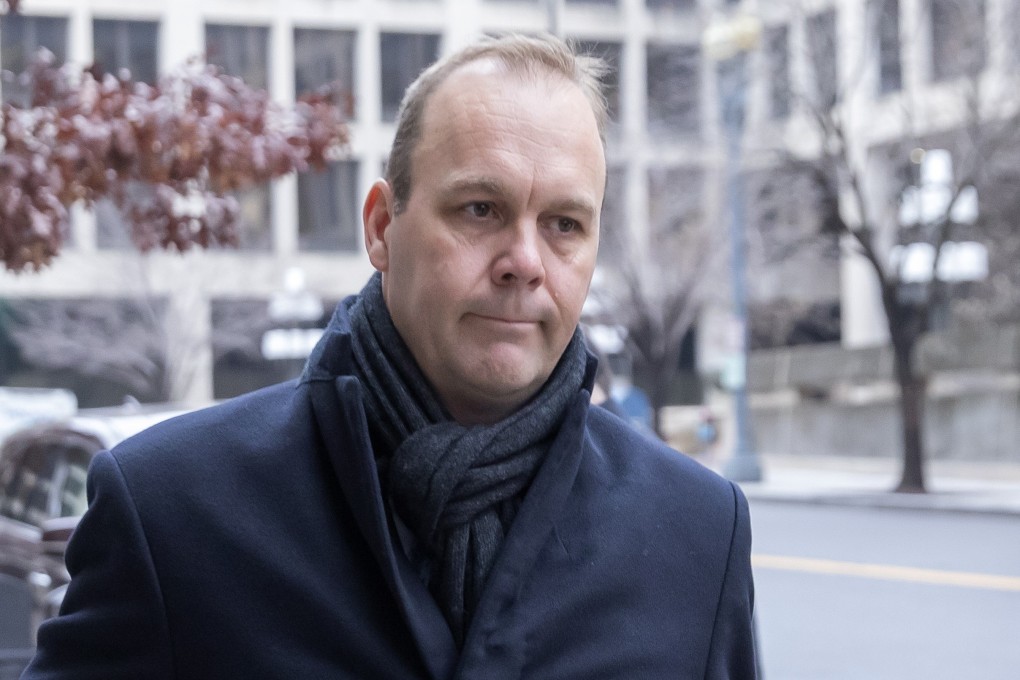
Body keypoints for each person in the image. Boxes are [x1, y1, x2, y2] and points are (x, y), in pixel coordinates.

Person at [23, 34, 756, 679]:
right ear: (381, 226)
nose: (524, 261)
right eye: (481, 209)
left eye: (564, 224)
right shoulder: (170, 511)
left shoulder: (698, 533)